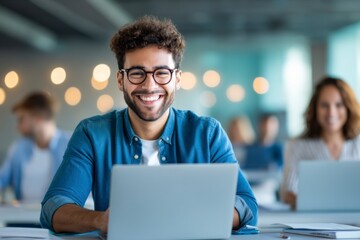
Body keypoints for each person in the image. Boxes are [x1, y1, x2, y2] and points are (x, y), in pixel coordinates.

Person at [40, 16, 258, 234]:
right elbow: (54, 207)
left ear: (178, 79)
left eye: (162, 73)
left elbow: (246, 204)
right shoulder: (91, 134)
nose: (150, 85)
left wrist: (188, 218)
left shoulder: (207, 134)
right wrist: (101, 220)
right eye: (137, 73)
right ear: (120, 80)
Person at [281, 77, 360, 209]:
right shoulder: (298, 146)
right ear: (315, 108)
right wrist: (312, 202)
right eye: (324, 105)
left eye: (339, 105)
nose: (331, 112)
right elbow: (288, 193)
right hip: (313, 222)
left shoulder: (357, 143)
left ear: (348, 108)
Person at [0, 91, 70, 203]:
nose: (18, 126)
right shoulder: (18, 148)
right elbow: (2, 178)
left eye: (21, 119)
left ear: (38, 119)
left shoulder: (71, 145)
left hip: (57, 219)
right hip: (21, 218)